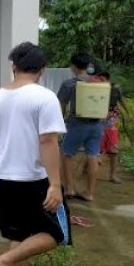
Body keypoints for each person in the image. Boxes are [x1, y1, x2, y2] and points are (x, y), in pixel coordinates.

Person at [0, 42, 69, 266]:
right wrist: (54, 184)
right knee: (57, 233)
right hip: (33, 179)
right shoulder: (44, 97)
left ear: (14, 66)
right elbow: (48, 141)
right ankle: (3, 262)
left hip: (4, 178)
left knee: (19, 234)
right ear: (42, 69)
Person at [57, 53, 102, 202]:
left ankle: (69, 188)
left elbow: (60, 105)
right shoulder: (98, 83)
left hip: (77, 124)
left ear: (74, 67)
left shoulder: (69, 84)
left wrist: (59, 123)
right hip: (96, 125)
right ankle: (90, 193)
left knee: (66, 154)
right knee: (93, 156)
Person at [94, 69, 129, 184]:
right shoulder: (95, 89)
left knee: (113, 150)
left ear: (107, 79)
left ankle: (112, 175)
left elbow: (121, 100)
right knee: (95, 150)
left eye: (102, 79)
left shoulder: (115, 89)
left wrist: (128, 113)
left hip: (111, 122)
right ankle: (89, 171)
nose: (100, 82)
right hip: (97, 121)